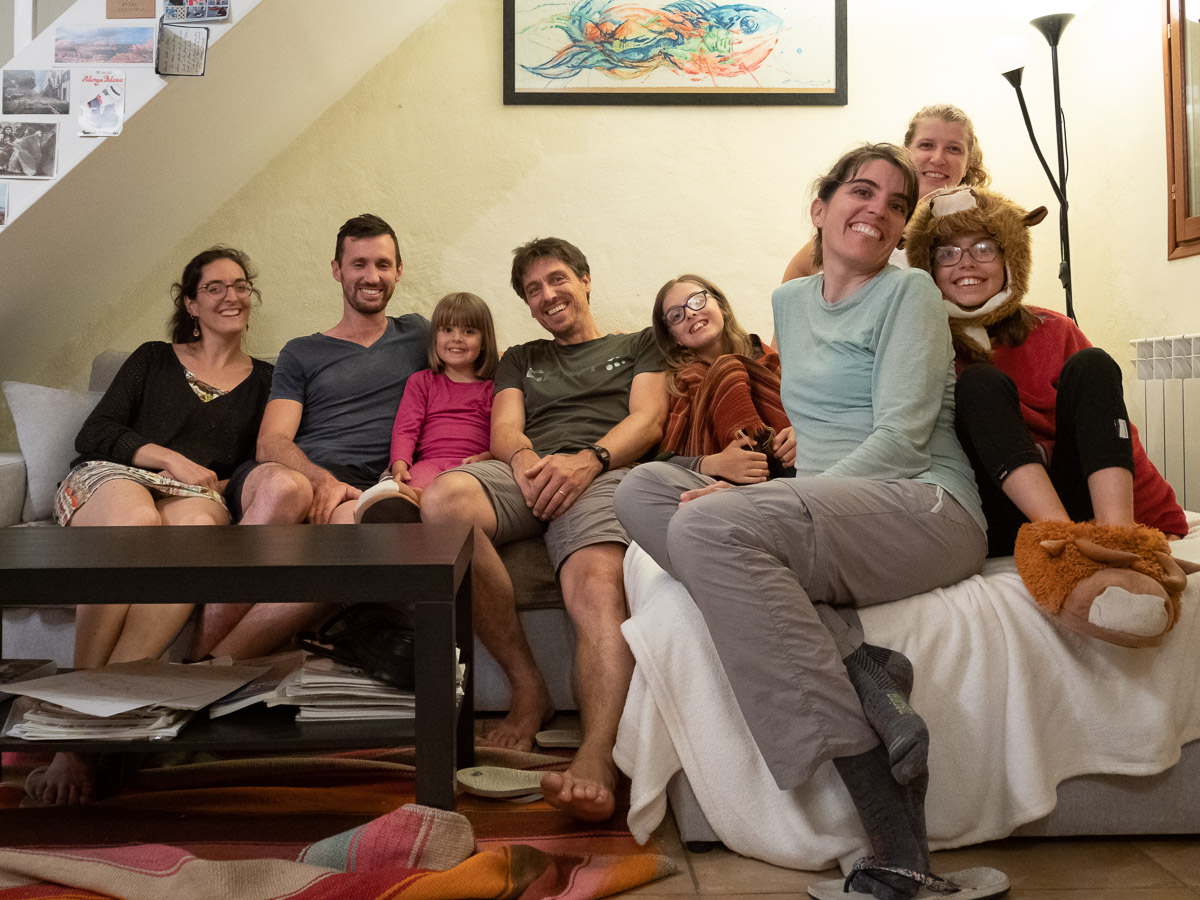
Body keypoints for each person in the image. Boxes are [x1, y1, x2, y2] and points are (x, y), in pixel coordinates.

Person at [614, 145, 1003, 900]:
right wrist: (751, 492)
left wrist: (752, 507)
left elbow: (902, 440)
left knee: (708, 529)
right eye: (862, 191)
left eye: (897, 203)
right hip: (835, 506)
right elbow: (818, 434)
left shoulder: (911, 292)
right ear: (820, 209)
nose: (880, 209)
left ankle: (890, 830)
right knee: (641, 492)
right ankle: (866, 672)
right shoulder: (790, 303)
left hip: (925, 507)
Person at [420, 237, 667, 821]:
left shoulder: (638, 344)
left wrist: (589, 461)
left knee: (597, 588)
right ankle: (528, 686)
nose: (547, 295)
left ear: (585, 279)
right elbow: (505, 428)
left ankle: (596, 756)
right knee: (443, 501)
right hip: (529, 472)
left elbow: (649, 418)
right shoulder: (522, 357)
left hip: (603, 473)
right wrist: (526, 461)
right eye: (533, 290)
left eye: (557, 280)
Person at [29, 246, 275, 807]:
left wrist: (210, 483)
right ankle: (75, 727)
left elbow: (252, 463)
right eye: (214, 287)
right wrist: (169, 459)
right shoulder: (153, 358)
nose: (231, 296)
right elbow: (96, 432)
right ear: (191, 303)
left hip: (197, 495)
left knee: (196, 535)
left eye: (240, 286)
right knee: (136, 518)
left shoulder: (268, 380)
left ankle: (93, 718)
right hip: (115, 477)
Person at [903, 185, 1188, 638]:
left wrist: (1163, 517)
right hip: (995, 507)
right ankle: (1063, 545)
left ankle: (1119, 539)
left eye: (983, 248)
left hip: (1072, 494)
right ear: (927, 266)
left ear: (1009, 258)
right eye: (948, 253)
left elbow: (1110, 428)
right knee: (979, 382)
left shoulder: (1054, 329)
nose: (967, 263)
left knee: (1094, 364)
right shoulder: (914, 341)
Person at [186, 213, 431, 661]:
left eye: (382, 264)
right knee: (287, 487)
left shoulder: (421, 335)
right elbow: (271, 441)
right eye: (358, 264)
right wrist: (319, 479)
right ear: (337, 270)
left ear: (399, 271)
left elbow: (481, 374)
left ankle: (207, 671)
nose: (371, 276)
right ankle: (198, 659)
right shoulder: (302, 351)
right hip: (288, 473)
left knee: (352, 536)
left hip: (360, 489)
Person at [781, 103, 989, 282]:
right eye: (926, 145)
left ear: (967, 163)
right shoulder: (877, 214)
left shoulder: (986, 226)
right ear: (907, 152)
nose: (937, 158)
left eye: (954, 149)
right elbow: (800, 271)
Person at [354, 291, 499, 521]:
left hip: (473, 466)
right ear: (434, 337)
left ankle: (417, 501)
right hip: (429, 463)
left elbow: (502, 433)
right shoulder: (421, 381)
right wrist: (399, 464)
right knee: (414, 481)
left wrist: (487, 457)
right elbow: (406, 429)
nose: (457, 338)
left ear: (484, 342)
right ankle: (402, 497)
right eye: (447, 330)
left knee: (455, 493)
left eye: (469, 331)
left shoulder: (494, 388)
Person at [652, 273, 793, 483]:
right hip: (716, 478)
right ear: (675, 338)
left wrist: (800, 433)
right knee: (728, 368)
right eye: (676, 315)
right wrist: (714, 463)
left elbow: (810, 410)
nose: (690, 313)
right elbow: (662, 460)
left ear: (722, 307)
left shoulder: (763, 355)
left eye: (697, 301)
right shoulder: (679, 382)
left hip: (786, 465)